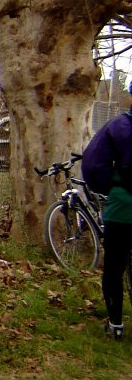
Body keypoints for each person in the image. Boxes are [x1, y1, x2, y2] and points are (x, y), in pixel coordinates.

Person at [81, 85, 132, 341]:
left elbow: (92, 162)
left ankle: (116, 324)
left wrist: (110, 186)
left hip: (124, 207)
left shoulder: (118, 127)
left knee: (114, 266)